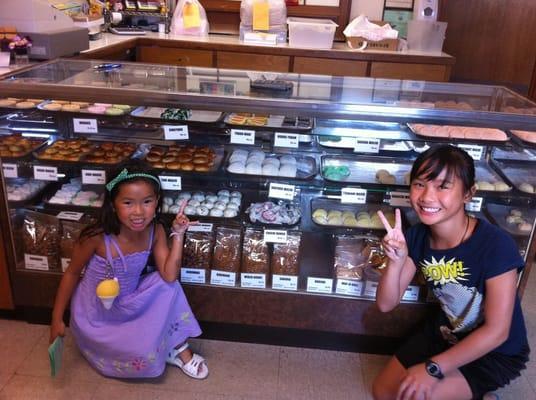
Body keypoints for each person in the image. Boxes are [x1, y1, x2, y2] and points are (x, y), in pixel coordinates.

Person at [372, 145, 529, 400]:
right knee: (383, 392)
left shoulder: (496, 245)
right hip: (447, 331)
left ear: (469, 193)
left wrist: (433, 368)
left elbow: (498, 331)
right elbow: (386, 304)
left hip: (496, 350)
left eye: (443, 186)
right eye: (420, 184)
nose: (427, 197)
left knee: (417, 396)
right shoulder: (416, 236)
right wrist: (396, 261)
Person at [49, 162, 208, 379]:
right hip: (96, 313)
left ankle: (178, 346)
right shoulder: (96, 236)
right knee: (140, 354)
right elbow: (72, 273)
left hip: (129, 301)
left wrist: (178, 234)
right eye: (128, 202)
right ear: (113, 204)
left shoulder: (156, 230)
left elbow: (169, 274)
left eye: (147, 202)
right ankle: (161, 345)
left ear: (157, 202)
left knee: (168, 285)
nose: (139, 212)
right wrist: (57, 318)